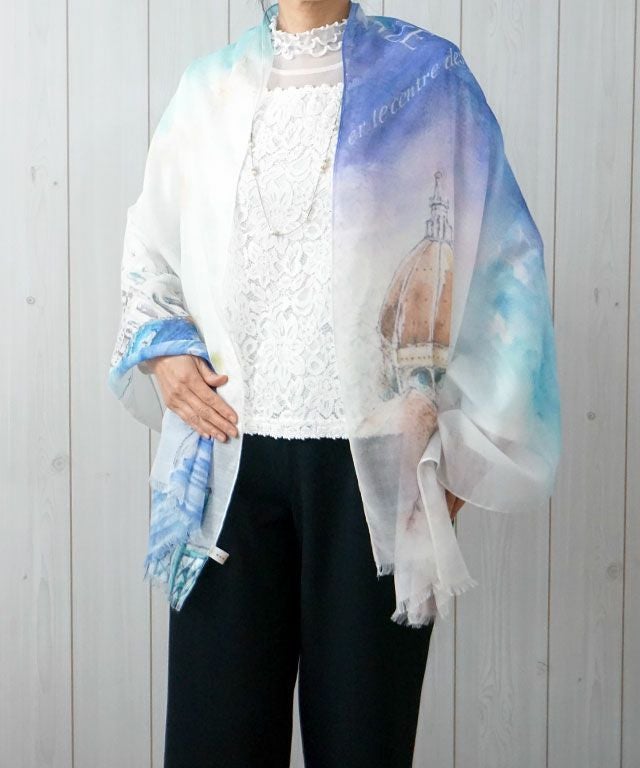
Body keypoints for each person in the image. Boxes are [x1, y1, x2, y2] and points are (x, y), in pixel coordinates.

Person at [107, 1, 562, 766]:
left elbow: (507, 265)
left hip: (374, 473)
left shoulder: (428, 80)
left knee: (361, 746)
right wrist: (164, 353)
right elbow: (149, 256)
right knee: (213, 744)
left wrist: (463, 457)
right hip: (225, 464)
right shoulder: (209, 88)